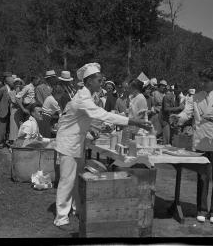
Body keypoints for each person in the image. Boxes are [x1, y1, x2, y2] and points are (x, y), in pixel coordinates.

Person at [53, 63, 152, 227]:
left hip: (76, 142)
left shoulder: (87, 96)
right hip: (68, 143)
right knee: (67, 180)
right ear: (89, 81)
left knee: (77, 179)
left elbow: (83, 120)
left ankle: (77, 208)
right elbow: (102, 114)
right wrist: (133, 121)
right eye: (99, 80)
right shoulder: (82, 98)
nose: (102, 83)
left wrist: (92, 128)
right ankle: (61, 217)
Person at [171, 67, 213, 224]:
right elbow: (187, 113)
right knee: (203, 177)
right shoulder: (194, 97)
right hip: (200, 143)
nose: (203, 83)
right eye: (202, 80)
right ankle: (202, 209)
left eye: (206, 81)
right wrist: (178, 118)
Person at [0, 76, 14, 149]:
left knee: (9, 127)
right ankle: (0, 142)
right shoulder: (2, 89)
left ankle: (7, 141)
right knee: (1, 127)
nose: (13, 82)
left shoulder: (13, 90)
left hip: (11, 112)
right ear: (7, 82)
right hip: (3, 111)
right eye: (12, 81)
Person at [8, 78, 24, 145]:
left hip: (20, 112)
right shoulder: (11, 93)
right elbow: (14, 102)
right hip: (14, 112)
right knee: (13, 128)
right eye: (16, 84)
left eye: (19, 84)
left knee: (20, 128)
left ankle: (19, 144)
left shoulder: (23, 92)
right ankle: (12, 144)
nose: (18, 86)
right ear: (14, 85)